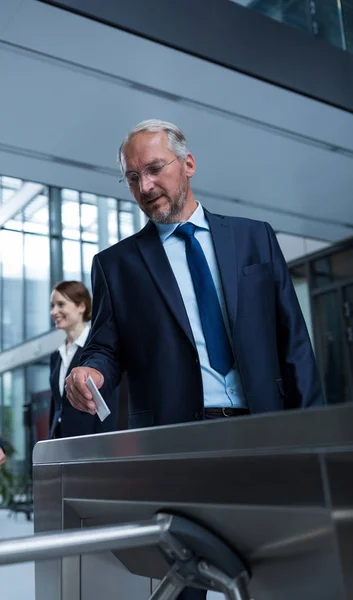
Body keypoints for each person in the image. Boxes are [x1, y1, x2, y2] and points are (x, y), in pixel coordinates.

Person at [66, 120, 324, 600]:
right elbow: (105, 344)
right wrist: (89, 369)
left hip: (262, 432)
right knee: (186, 580)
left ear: (188, 164)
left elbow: (294, 346)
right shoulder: (117, 264)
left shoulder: (254, 239)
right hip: (178, 441)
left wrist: (313, 438)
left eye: (154, 169)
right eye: (132, 178)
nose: (144, 187)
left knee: (284, 571)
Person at [49, 280, 118, 439]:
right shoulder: (56, 356)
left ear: (81, 306)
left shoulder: (99, 351)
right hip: (60, 441)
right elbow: (56, 405)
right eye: (52, 306)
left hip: (91, 441)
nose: (54, 311)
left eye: (61, 304)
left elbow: (110, 402)